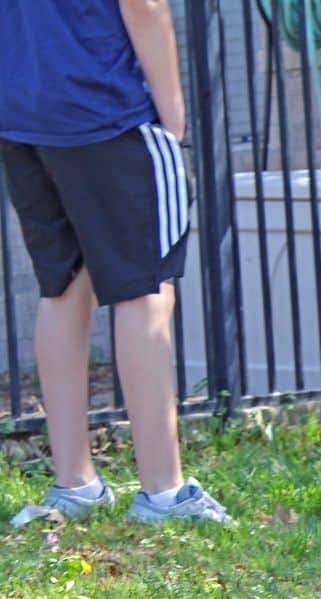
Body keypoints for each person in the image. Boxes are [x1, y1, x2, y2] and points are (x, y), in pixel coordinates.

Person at [0, 0, 232, 524]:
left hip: (20, 111)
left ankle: (74, 484)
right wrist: (173, 114)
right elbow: (144, 5)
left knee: (63, 288)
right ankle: (164, 493)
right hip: (105, 107)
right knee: (146, 289)